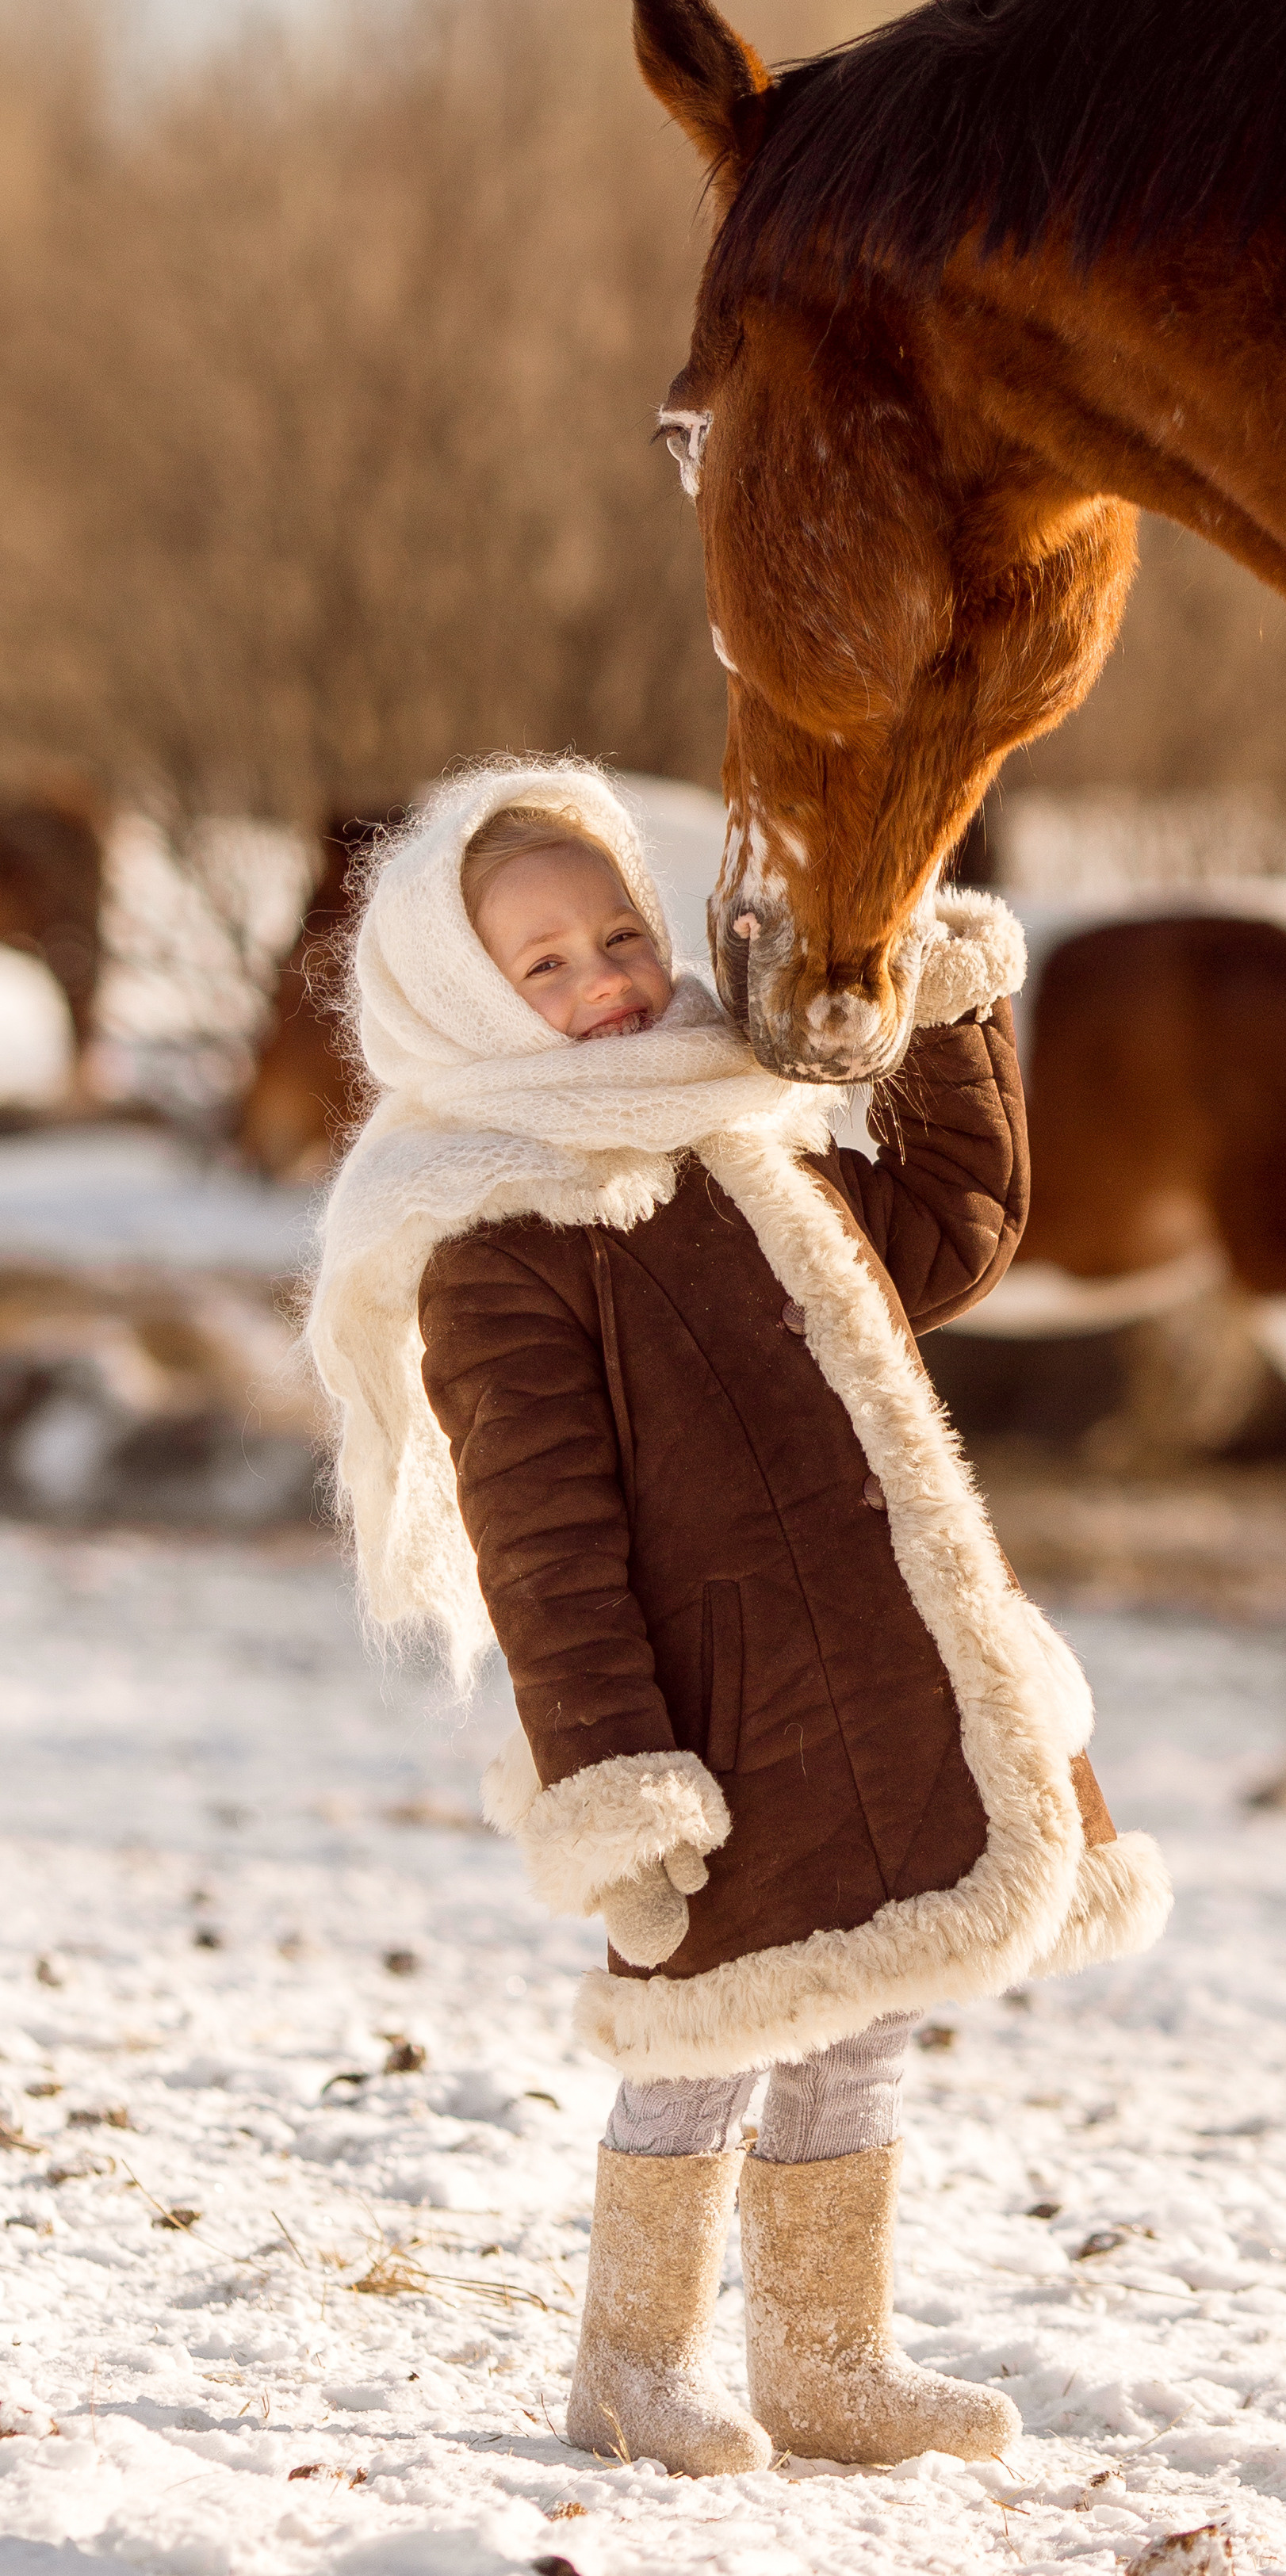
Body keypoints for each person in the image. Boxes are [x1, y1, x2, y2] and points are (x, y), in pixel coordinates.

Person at [307, 759, 1169, 2478]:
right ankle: (633, 2360)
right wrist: (610, 1772)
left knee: (868, 2009)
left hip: (886, 1654)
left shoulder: (737, 1128)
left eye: (616, 931)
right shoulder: (492, 1228)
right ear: (459, 995)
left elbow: (945, 1228)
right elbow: (542, 1534)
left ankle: (832, 2356)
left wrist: (942, 1011)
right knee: (708, 2025)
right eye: (541, 966)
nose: (604, 981)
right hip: (720, 1703)